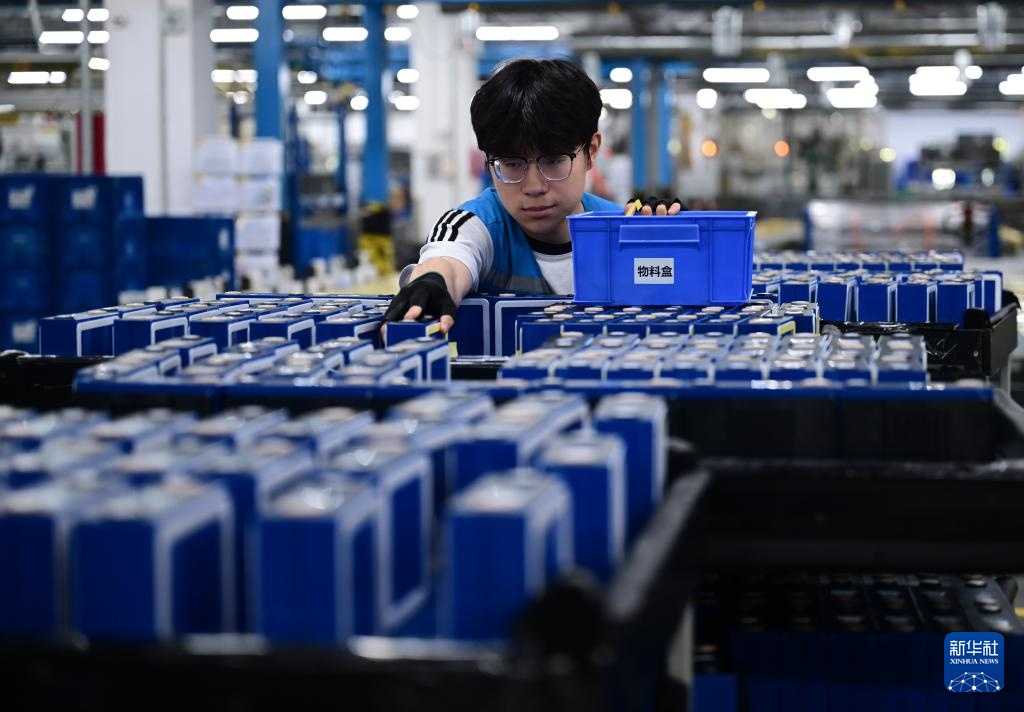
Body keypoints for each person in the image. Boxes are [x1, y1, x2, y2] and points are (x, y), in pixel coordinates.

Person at [384, 58, 681, 334]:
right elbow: (447, 259)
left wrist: (675, 246)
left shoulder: (621, 228)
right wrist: (432, 281)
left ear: (591, 152)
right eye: (512, 164)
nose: (534, 186)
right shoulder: (476, 225)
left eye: (553, 161)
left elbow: (668, 285)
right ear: (489, 162)